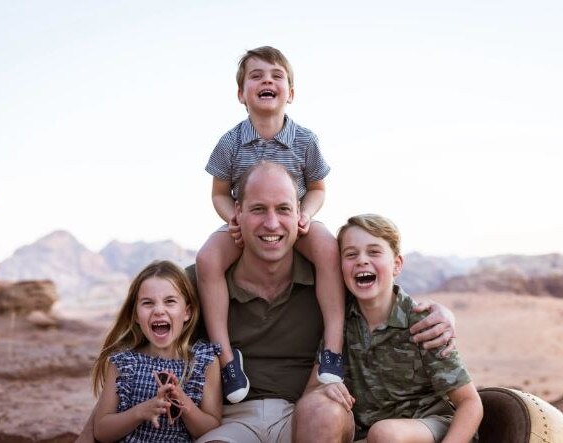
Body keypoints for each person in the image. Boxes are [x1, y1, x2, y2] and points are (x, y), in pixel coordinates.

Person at [78, 161, 457, 443]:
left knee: (324, 410)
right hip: (231, 421)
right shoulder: (201, 285)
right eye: (258, 209)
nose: (271, 224)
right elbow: (137, 351)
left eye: (283, 210)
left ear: (300, 217)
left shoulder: (328, 279)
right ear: (236, 215)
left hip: (306, 414)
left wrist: (443, 313)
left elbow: (381, 295)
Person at [196, 45, 346, 404]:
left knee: (327, 247)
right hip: (247, 223)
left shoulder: (305, 140)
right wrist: (230, 214)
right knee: (207, 260)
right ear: (241, 93)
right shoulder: (230, 142)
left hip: (293, 221)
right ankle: (227, 359)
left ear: (290, 93)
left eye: (276, 76)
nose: (267, 81)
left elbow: (318, 188)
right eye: (257, 76)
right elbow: (218, 192)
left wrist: (305, 213)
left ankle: (333, 348)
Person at [335, 214, 483, 442]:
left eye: (374, 252)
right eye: (351, 254)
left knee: (386, 433)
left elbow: (470, 403)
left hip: (431, 428)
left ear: (396, 264)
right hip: (371, 436)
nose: (362, 260)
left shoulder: (424, 324)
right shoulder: (340, 321)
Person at [90, 260, 222, 442]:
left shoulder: (204, 362)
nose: (159, 310)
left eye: (170, 301)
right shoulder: (124, 362)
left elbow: (209, 429)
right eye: (148, 303)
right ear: (136, 315)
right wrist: (140, 411)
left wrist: (182, 401)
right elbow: (102, 432)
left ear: (187, 312)